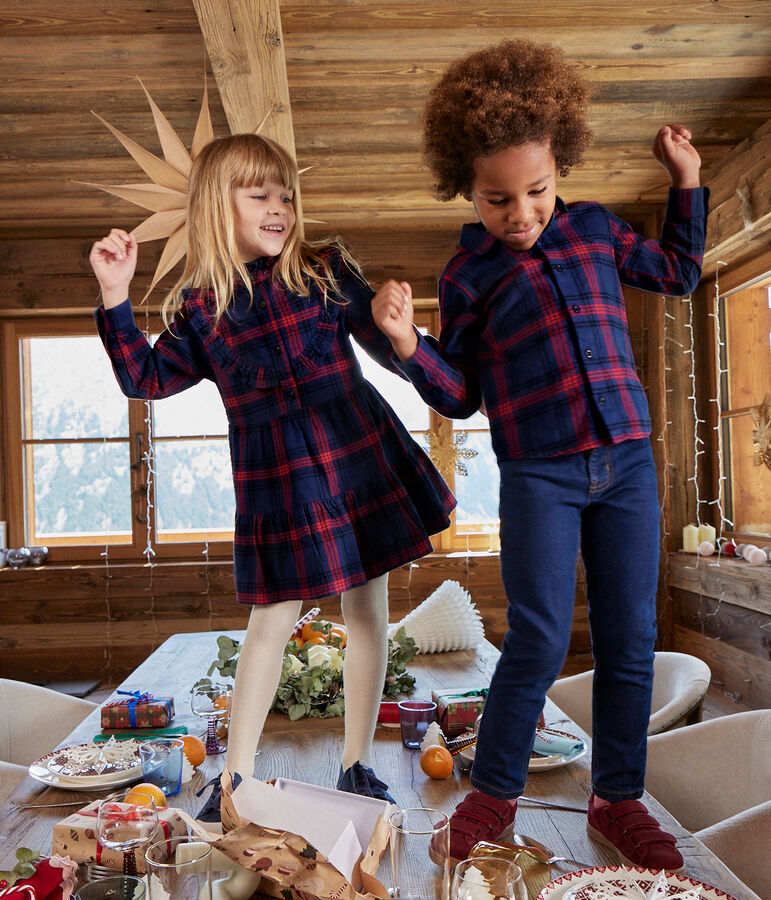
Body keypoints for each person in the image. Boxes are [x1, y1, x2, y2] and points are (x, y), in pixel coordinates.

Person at [372, 39, 708, 870]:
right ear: (466, 187)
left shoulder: (594, 230)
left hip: (626, 460)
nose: (518, 214)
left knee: (631, 634)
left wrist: (686, 183)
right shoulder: (468, 274)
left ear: (560, 167)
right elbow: (460, 393)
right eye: (495, 200)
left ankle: (617, 798)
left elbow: (678, 272)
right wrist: (409, 345)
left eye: (535, 192)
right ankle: (492, 796)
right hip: (539, 473)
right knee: (539, 638)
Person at [89, 132, 455, 818]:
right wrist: (114, 296)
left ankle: (355, 765)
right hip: (279, 478)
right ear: (213, 206)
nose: (278, 206)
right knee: (271, 620)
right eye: (258, 193)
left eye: (285, 193)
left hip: (357, 451)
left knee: (369, 611)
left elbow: (384, 347)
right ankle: (236, 779)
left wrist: (399, 327)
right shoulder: (201, 310)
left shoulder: (325, 267)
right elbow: (143, 379)